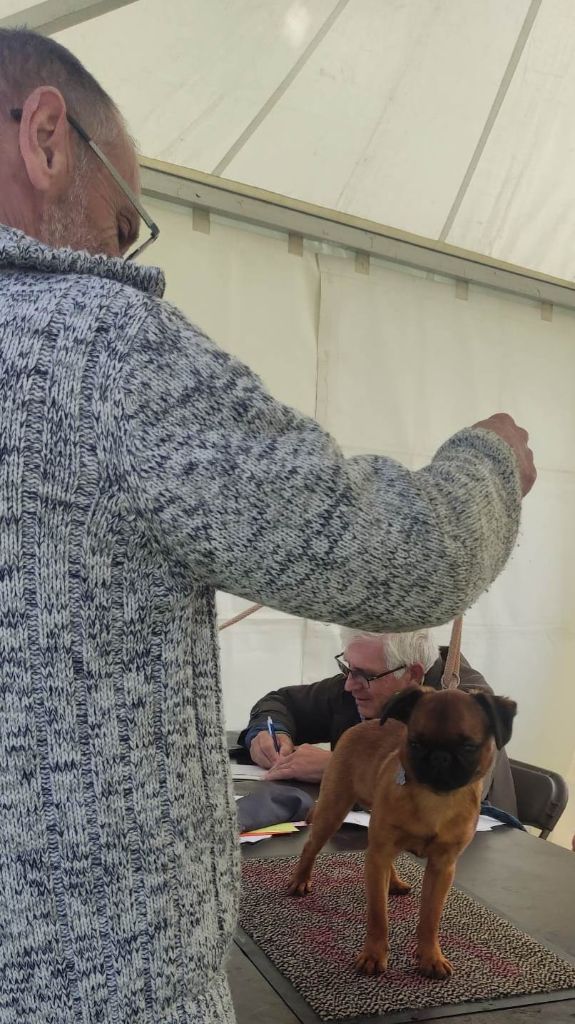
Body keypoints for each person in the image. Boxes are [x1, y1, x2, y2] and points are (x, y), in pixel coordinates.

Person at [0, 27, 535, 1024]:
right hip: (102, 984)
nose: (121, 254)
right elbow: (380, 552)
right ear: (45, 138)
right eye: (124, 223)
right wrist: (488, 467)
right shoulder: (97, 345)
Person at [239, 629, 517, 815]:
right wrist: (268, 733)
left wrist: (341, 767)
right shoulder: (355, 687)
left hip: (468, 851)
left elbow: (453, 786)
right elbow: (281, 702)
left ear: (412, 674)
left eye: (364, 675)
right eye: (347, 668)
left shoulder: (466, 707)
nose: (349, 685)